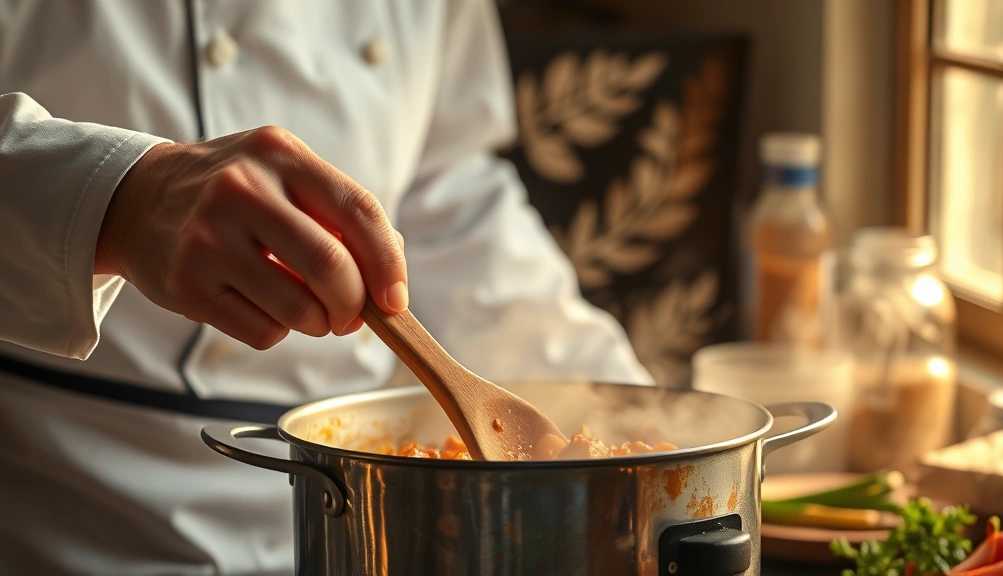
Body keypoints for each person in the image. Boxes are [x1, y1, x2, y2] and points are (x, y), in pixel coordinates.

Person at [0, 2, 650, 574]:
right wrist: (117, 199)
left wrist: (638, 421)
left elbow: (448, 198)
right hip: (63, 513)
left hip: (373, 528)